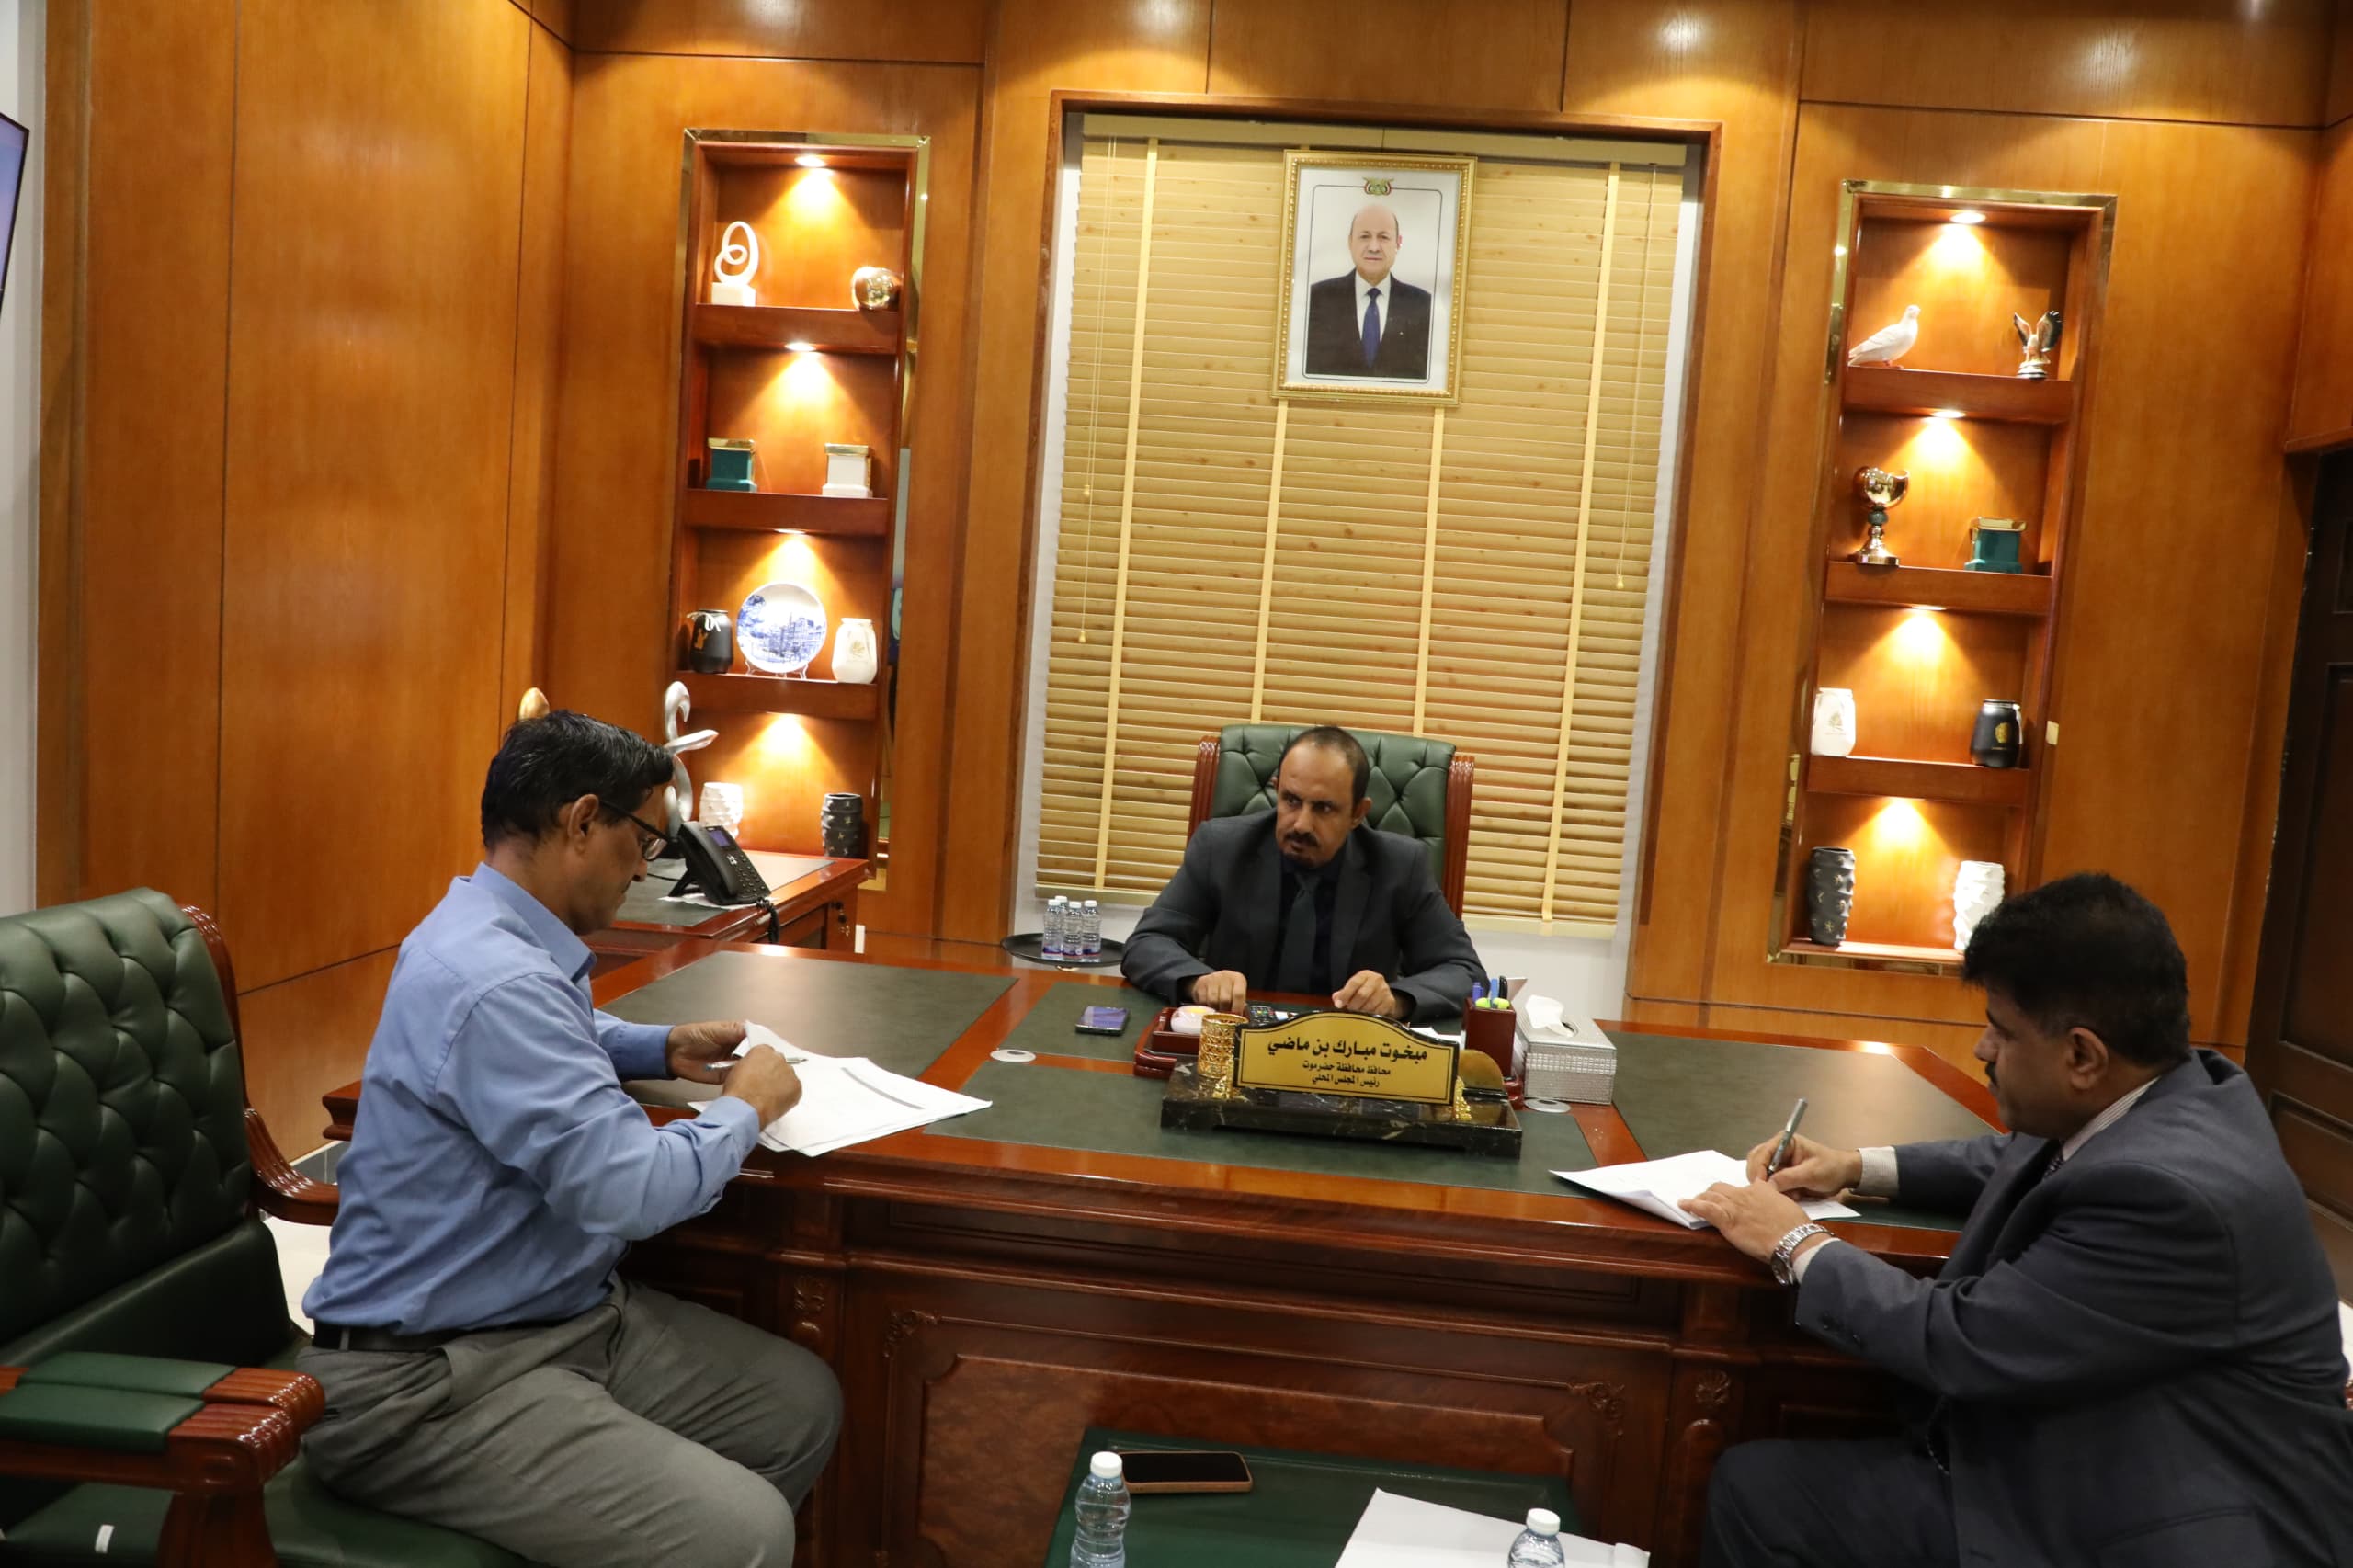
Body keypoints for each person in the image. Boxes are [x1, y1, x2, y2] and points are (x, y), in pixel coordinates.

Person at [299, 711, 841, 1567]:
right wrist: (746, 1107)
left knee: (797, 1405)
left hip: (554, 1318)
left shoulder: (483, 926)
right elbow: (632, 1190)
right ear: (584, 821)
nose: (646, 867)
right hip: (425, 1386)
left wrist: (654, 1046)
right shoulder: (497, 978)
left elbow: (551, 1030)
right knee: (746, 1534)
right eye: (645, 840)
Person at [1686, 873, 2353, 1568]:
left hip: (2158, 1521)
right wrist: (1853, 1166)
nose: (1982, 1049)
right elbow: (2014, 1157)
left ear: (2081, 1055)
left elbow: (1960, 1341)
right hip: (2101, 1448)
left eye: (2001, 1032)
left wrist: (1793, 1240)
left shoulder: (2170, 1197)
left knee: (1758, 1495)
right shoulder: (2177, 1089)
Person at [1121, 725, 1482, 1023]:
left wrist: (1397, 999)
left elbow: (1464, 972)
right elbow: (1147, 943)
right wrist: (1197, 981)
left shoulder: (1400, 865)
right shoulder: (1222, 847)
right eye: (1291, 801)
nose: (1301, 824)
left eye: (1323, 808)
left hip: (1348, 1055)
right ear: (1276, 789)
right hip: (1237, 1043)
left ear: (1358, 813)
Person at [1302, 201, 1433, 379]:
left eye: (1383, 237)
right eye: (1364, 236)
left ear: (1398, 243)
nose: (1373, 247)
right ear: (1350, 242)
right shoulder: (1317, 298)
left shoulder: (1423, 304)